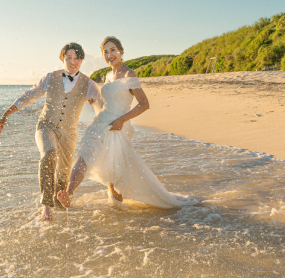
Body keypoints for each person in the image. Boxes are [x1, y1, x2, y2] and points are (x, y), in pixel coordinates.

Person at [57, 36, 189, 209]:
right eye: (105, 52)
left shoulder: (129, 74)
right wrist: (95, 102)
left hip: (118, 126)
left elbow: (144, 104)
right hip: (101, 121)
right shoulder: (108, 75)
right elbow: (107, 102)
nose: (110, 55)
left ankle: (120, 213)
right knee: (84, 156)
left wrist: (121, 120)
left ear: (120, 51)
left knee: (114, 176)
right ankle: (69, 193)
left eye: (113, 50)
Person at [0, 42, 101, 222]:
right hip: (46, 125)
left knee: (62, 177)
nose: (72, 62)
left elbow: (100, 106)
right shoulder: (50, 78)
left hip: (69, 134)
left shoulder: (89, 84)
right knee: (48, 154)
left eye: (76, 58)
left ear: (82, 60)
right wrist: (6, 113)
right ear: (63, 59)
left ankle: (60, 212)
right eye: (68, 57)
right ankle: (46, 206)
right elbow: (29, 95)